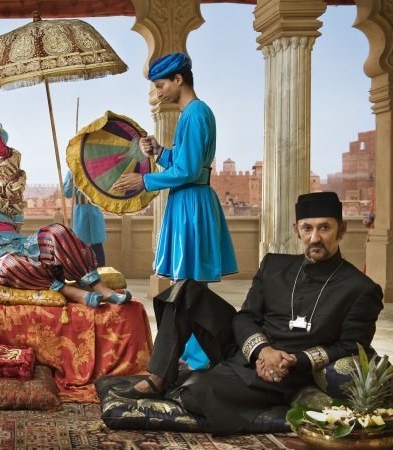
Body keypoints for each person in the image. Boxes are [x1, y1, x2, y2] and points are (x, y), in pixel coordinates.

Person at [122, 192, 384, 436]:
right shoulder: (274, 265)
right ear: (297, 230)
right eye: (307, 228)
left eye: (324, 228)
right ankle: (158, 376)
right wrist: (262, 351)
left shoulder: (361, 288)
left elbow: (351, 345)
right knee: (186, 290)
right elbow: (245, 317)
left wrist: (293, 360)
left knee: (195, 392)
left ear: (342, 229)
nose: (315, 237)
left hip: (286, 373)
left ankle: (237, 388)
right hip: (247, 349)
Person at [0, 115, 131, 307]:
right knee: (8, 265)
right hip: (2, 269)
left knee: (56, 231)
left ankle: (100, 288)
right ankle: (74, 293)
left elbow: (6, 176)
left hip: (25, 249)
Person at [112, 52, 238, 369]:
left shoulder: (195, 114)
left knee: (190, 285)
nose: (158, 93)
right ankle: (193, 352)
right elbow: (184, 163)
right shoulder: (190, 114)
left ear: (178, 79)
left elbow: (188, 171)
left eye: (160, 85)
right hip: (187, 200)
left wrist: (144, 181)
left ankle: (198, 356)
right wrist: (159, 152)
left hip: (191, 202)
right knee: (189, 284)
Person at [64, 170, 106, 267]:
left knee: (97, 246)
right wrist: (71, 179)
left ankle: (101, 272)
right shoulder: (72, 170)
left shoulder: (96, 167)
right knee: (80, 246)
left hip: (95, 211)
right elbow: (67, 193)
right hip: (80, 212)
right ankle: (82, 273)